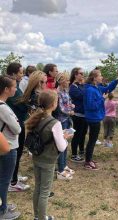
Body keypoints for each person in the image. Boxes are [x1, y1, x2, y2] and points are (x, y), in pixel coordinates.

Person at [25, 90, 70, 220]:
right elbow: (61, 147)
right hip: (48, 160)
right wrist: (65, 138)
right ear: (53, 104)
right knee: (45, 191)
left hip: (36, 158)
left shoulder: (36, 117)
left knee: (38, 188)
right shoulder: (55, 123)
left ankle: (37, 216)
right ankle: (42, 217)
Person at [83, 67, 118, 170]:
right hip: (93, 118)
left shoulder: (97, 87)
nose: (102, 77)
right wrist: (102, 98)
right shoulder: (90, 90)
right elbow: (91, 106)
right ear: (94, 78)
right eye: (100, 75)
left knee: (93, 139)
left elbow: (109, 88)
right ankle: (87, 162)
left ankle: (89, 158)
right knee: (92, 140)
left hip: (96, 118)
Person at [6, 62, 30, 191]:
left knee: (19, 151)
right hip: (16, 122)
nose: (22, 75)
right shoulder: (11, 87)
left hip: (19, 120)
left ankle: (13, 175)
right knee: (17, 150)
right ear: (14, 73)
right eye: (21, 72)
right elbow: (21, 104)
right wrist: (28, 104)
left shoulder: (15, 85)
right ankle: (13, 182)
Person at [0, 75, 21, 220]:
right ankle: (2, 210)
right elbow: (17, 128)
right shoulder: (3, 108)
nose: (16, 89)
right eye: (14, 86)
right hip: (8, 146)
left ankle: (4, 204)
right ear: (6, 89)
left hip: (4, 145)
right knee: (4, 179)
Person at [56, 73, 75, 180]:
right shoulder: (58, 92)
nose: (68, 82)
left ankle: (64, 165)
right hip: (62, 121)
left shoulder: (65, 91)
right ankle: (60, 170)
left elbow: (68, 102)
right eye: (66, 80)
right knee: (61, 145)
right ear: (61, 81)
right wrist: (70, 111)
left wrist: (71, 105)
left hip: (67, 120)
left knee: (66, 143)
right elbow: (60, 108)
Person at [69, 67, 88, 162]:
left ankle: (81, 151)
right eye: (81, 73)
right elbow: (84, 95)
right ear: (75, 75)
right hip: (77, 115)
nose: (83, 75)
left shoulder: (81, 86)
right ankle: (74, 154)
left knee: (83, 133)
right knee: (77, 135)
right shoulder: (73, 87)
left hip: (84, 114)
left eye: (83, 73)